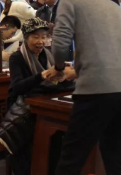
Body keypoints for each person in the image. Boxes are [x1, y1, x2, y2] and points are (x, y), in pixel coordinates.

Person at [47, 0, 121, 175]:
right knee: (116, 157)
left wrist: (59, 68)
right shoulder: (115, 7)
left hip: (97, 88)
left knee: (71, 158)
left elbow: (60, 43)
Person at [5, 18, 76, 175]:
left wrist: (64, 77)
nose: (40, 41)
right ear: (26, 38)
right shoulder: (17, 57)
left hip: (43, 104)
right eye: (35, 37)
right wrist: (42, 76)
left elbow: (54, 83)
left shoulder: (48, 55)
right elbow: (18, 87)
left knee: (59, 134)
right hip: (21, 109)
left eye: (44, 37)